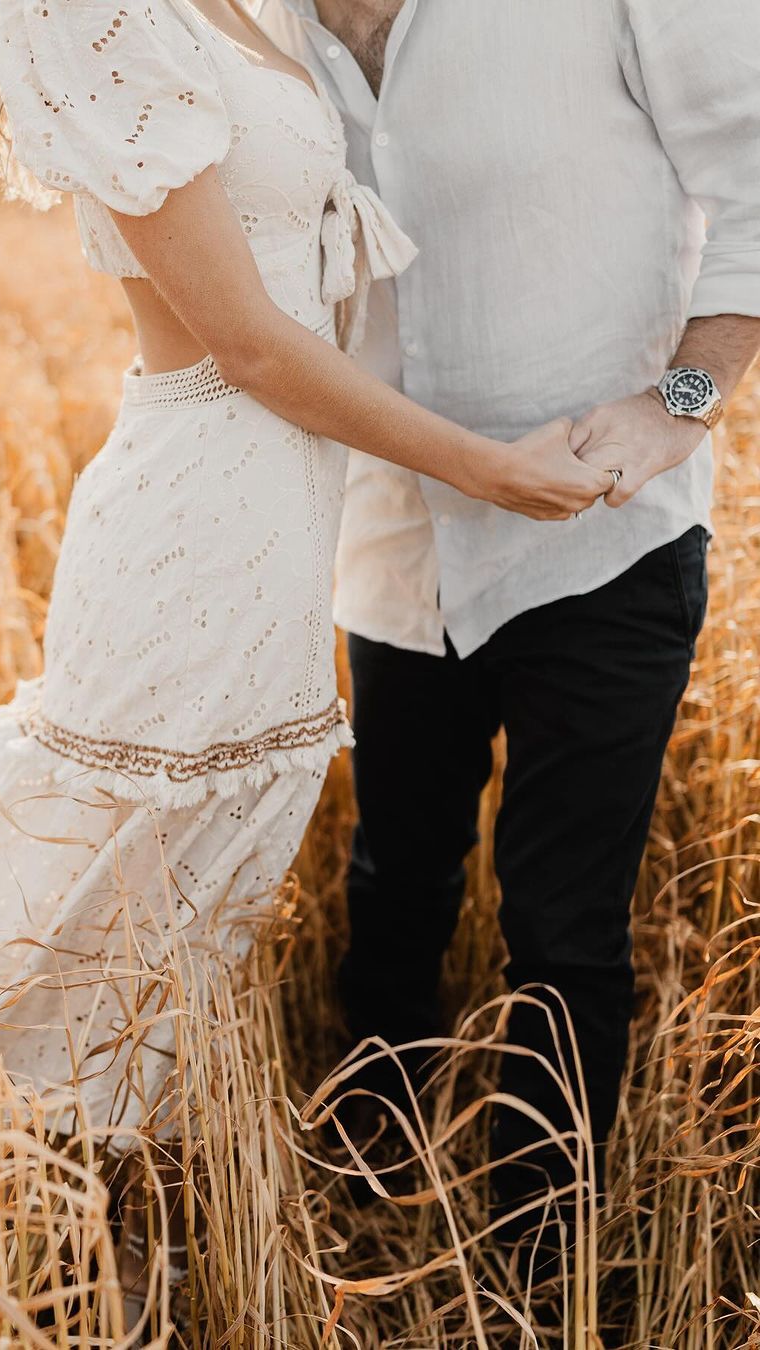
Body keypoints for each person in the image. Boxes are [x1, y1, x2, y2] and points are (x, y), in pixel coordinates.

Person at [0, 0, 616, 1318]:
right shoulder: (96, 12)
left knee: (187, 926)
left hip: (280, 535)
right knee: (100, 913)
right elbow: (249, 341)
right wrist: (485, 469)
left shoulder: (247, 3)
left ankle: (115, 1278)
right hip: (191, 523)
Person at [255, 0, 760, 1269]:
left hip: (604, 538)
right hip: (390, 542)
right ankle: (370, 1210)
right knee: (394, 881)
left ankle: (541, 1272)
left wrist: (679, 407)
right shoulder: (251, 23)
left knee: (563, 922)